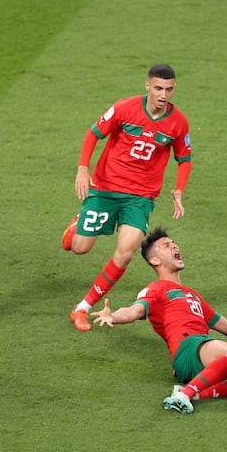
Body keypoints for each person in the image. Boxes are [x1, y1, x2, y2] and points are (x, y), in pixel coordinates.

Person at [91, 227, 227, 414]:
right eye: (166, 245)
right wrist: (114, 316)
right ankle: (186, 393)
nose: (174, 246)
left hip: (202, 357)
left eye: (174, 243)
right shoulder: (156, 289)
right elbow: (134, 311)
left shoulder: (192, 294)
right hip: (188, 349)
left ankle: (192, 394)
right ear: (155, 260)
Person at [62, 64, 192, 332]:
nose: (163, 94)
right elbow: (93, 134)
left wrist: (178, 190)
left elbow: (184, 158)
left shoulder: (178, 122)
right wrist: (82, 169)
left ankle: (82, 307)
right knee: (80, 248)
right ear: (147, 86)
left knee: (127, 251)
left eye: (169, 89)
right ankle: (78, 224)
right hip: (105, 189)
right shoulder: (124, 108)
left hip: (140, 197)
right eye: (158, 88)